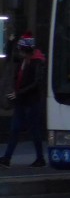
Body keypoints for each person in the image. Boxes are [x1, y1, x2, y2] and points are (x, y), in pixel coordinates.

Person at [1, 33, 47, 168]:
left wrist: (18, 93)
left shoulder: (37, 62)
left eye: (21, 50)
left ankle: (40, 157)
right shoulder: (22, 60)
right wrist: (10, 41)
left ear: (26, 51)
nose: (19, 53)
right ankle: (7, 157)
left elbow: (36, 83)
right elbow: (10, 55)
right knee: (15, 129)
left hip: (32, 101)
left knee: (34, 130)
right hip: (21, 100)